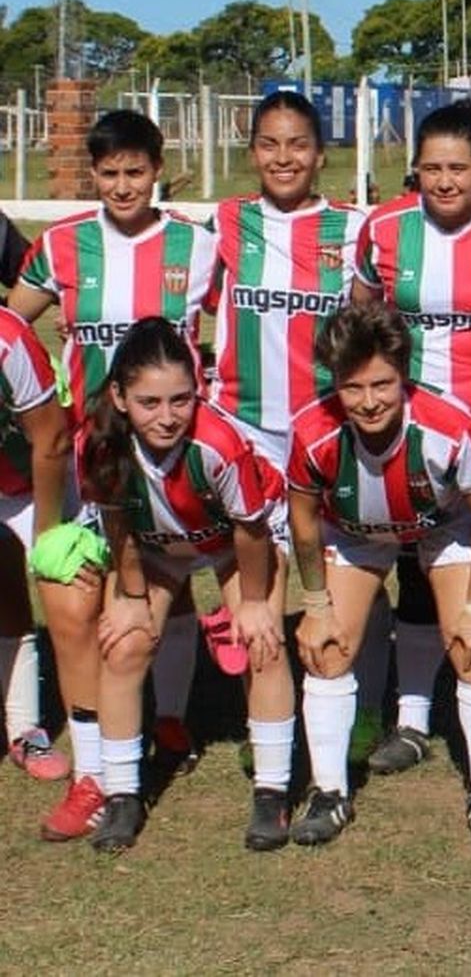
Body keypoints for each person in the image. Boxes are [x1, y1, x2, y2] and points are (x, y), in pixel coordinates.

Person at [10, 110, 218, 837]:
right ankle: (97, 771)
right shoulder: (63, 246)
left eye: (136, 171)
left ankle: (166, 715)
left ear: (157, 169)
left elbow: (240, 323)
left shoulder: (197, 246)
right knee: (74, 609)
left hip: (169, 455)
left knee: (172, 587)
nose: (123, 185)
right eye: (109, 173)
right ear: (92, 175)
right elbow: (15, 319)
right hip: (88, 460)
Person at [353, 100, 471, 778]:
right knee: (418, 571)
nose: (444, 180)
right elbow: (362, 320)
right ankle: (411, 717)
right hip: (414, 437)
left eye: (457, 166)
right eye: (430, 167)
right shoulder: (385, 229)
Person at [286, 301, 471, 847]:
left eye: (382, 385)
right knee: (328, 649)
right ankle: (330, 793)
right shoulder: (311, 431)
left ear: (404, 375)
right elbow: (303, 520)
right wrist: (315, 606)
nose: (368, 402)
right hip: (355, 530)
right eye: (353, 387)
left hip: (443, 523)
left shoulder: (449, 427)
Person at [78, 319, 293, 852]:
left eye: (181, 399)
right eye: (150, 402)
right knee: (124, 647)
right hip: (154, 546)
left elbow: (250, 529)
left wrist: (255, 603)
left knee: (262, 644)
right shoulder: (100, 443)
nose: (168, 416)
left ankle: (272, 790)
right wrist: (129, 597)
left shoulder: (218, 443)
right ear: (120, 397)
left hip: (236, 542)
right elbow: (117, 522)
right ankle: (124, 793)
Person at [200, 89, 370, 709]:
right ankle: (270, 733)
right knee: (258, 583)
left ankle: (358, 702)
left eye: (298, 144)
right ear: (252, 153)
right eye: (269, 144)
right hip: (243, 428)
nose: (283, 157)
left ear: (321, 154)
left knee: (341, 572)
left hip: (324, 432)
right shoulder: (225, 221)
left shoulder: (352, 229)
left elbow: (369, 328)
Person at [0, 306, 74, 782]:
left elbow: (51, 438)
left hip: (31, 481)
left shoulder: (7, 338)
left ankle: (28, 727)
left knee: (71, 602)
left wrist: (48, 536)